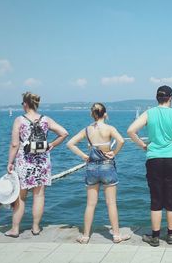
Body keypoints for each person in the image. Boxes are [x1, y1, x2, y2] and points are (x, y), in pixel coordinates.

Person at [127, 85, 172, 247]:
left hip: (154, 159)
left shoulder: (149, 113)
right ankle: (171, 235)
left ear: (157, 98)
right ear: (171, 98)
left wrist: (143, 146)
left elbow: (131, 131)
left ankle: (155, 236)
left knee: (156, 197)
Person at [5, 92, 68, 238]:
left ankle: (15, 229)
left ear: (25, 104)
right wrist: (52, 144)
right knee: (39, 195)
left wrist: (9, 162)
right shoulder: (45, 119)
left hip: (24, 162)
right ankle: (36, 227)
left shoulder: (19, 120)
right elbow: (64, 133)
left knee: (20, 196)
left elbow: (15, 144)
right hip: (42, 162)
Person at [66, 103, 130, 244]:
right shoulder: (109, 128)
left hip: (92, 168)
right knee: (111, 203)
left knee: (90, 204)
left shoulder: (87, 130)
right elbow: (120, 141)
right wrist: (114, 153)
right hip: (107, 166)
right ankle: (116, 235)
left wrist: (84, 156)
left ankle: (85, 236)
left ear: (92, 114)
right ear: (105, 114)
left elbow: (70, 143)